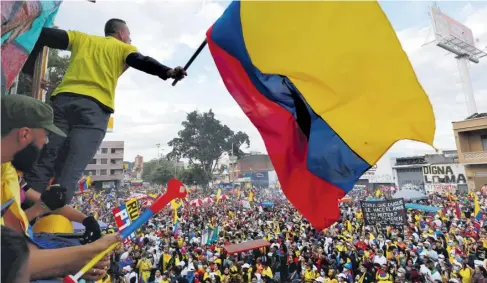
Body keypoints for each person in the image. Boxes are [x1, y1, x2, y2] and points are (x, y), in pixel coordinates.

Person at [23, 18, 188, 240]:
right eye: (129, 36)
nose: (130, 39)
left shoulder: (82, 38)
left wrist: (28, 66)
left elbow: (43, 35)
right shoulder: (122, 47)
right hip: (93, 111)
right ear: (121, 34)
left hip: (62, 103)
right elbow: (141, 61)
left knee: (44, 162)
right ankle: (43, 223)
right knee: (70, 171)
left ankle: (21, 215)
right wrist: (167, 71)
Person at [1, 95, 121, 280]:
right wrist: (81, 256)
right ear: (24, 134)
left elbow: (42, 202)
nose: (46, 143)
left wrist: (87, 220)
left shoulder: (8, 171)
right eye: (46, 136)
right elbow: (8, 263)